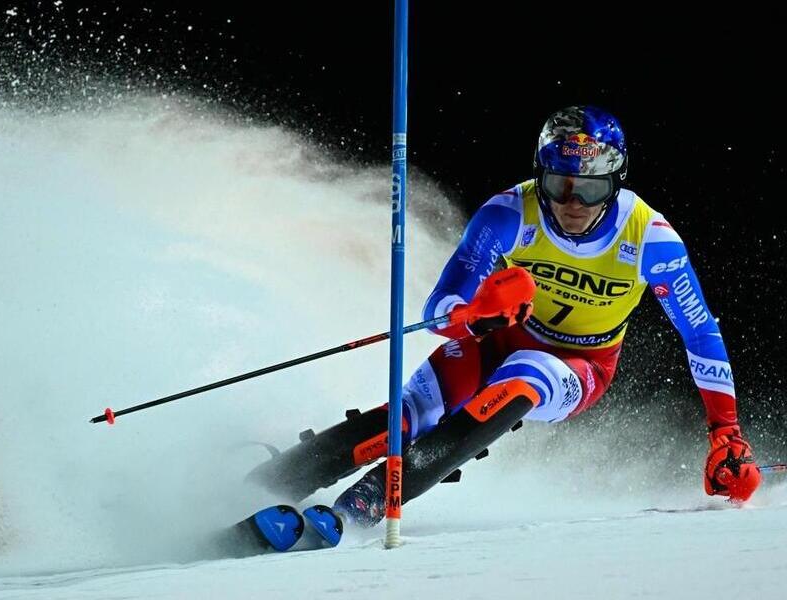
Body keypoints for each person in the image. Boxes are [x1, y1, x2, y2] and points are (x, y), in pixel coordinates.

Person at [247, 105, 761, 526]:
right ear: (542, 174)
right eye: (560, 184)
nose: (573, 203)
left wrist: (726, 433)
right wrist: (474, 314)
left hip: (579, 366)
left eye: (591, 189)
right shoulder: (509, 213)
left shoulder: (650, 240)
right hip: (497, 338)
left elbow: (699, 332)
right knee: (413, 413)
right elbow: (439, 309)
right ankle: (264, 484)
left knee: (525, 377)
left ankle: (362, 505)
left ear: (616, 183)